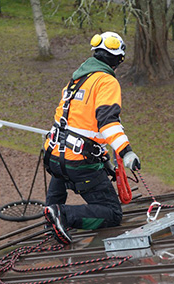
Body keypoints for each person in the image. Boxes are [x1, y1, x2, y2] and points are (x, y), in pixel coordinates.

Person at [42, 31, 141, 245]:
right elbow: (107, 122)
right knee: (112, 213)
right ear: (118, 61)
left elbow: (78, 125)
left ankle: (50, 220)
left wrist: (104, 159)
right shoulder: (106, 81)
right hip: (78, 163)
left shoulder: (76, 80)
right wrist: (126, 152)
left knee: (61, 171)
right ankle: (62, 216)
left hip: (53, 156)